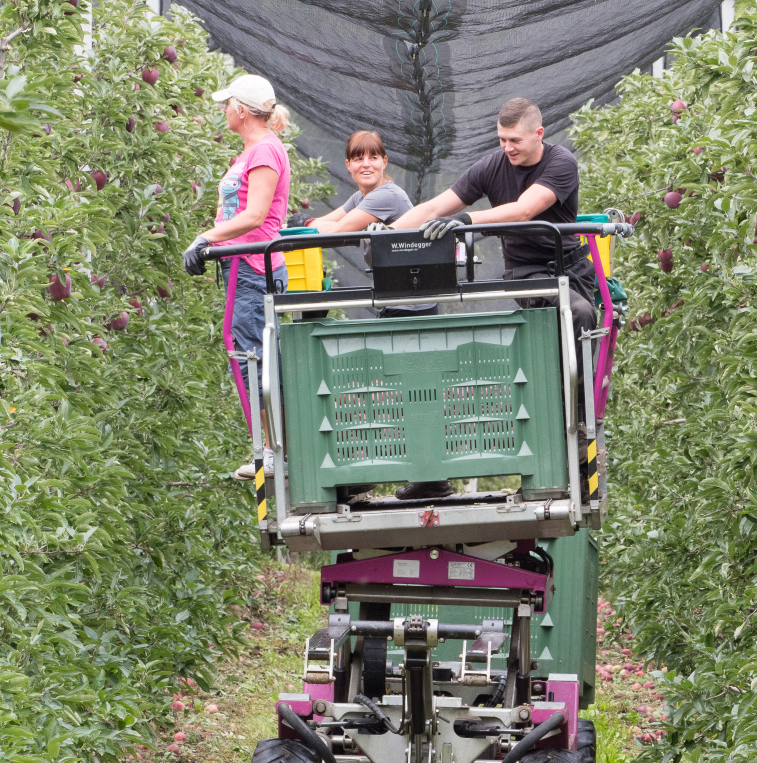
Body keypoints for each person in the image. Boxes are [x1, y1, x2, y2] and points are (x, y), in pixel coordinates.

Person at [390, 96, 596, 501]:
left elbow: (523, 211)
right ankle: (550, 425)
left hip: (566, 270)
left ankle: (580, 421)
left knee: (579, 313)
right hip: (527, 275)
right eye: (501, 139)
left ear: (539, 133)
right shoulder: (492, 165)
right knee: (541, 345)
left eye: (515, 140)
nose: (507, 147)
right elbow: (436, 206)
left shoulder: (561, 163)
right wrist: (387, 232)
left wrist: (464, 221)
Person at [182, 73, 292, 481]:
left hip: (251, 266)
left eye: (227, 104)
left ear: (242, 111)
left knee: (253, 357)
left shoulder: (264, 152)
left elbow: (255, 215)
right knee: (249, 353)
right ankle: (266, 447)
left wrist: (205, 238)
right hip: (240, 263)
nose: (223, 110)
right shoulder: (252, 151)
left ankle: (270, 451)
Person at [285, 130, 430, 318]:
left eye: (373, 157)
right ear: (348, 165)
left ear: (384, 162)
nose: (366, 164)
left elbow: (336, 230)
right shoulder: (359, 198)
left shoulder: (387, 195)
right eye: (359, 159)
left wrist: (304, 223)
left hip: (413, 305)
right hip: (392, 298)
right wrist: (290, 226)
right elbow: (324, 223)